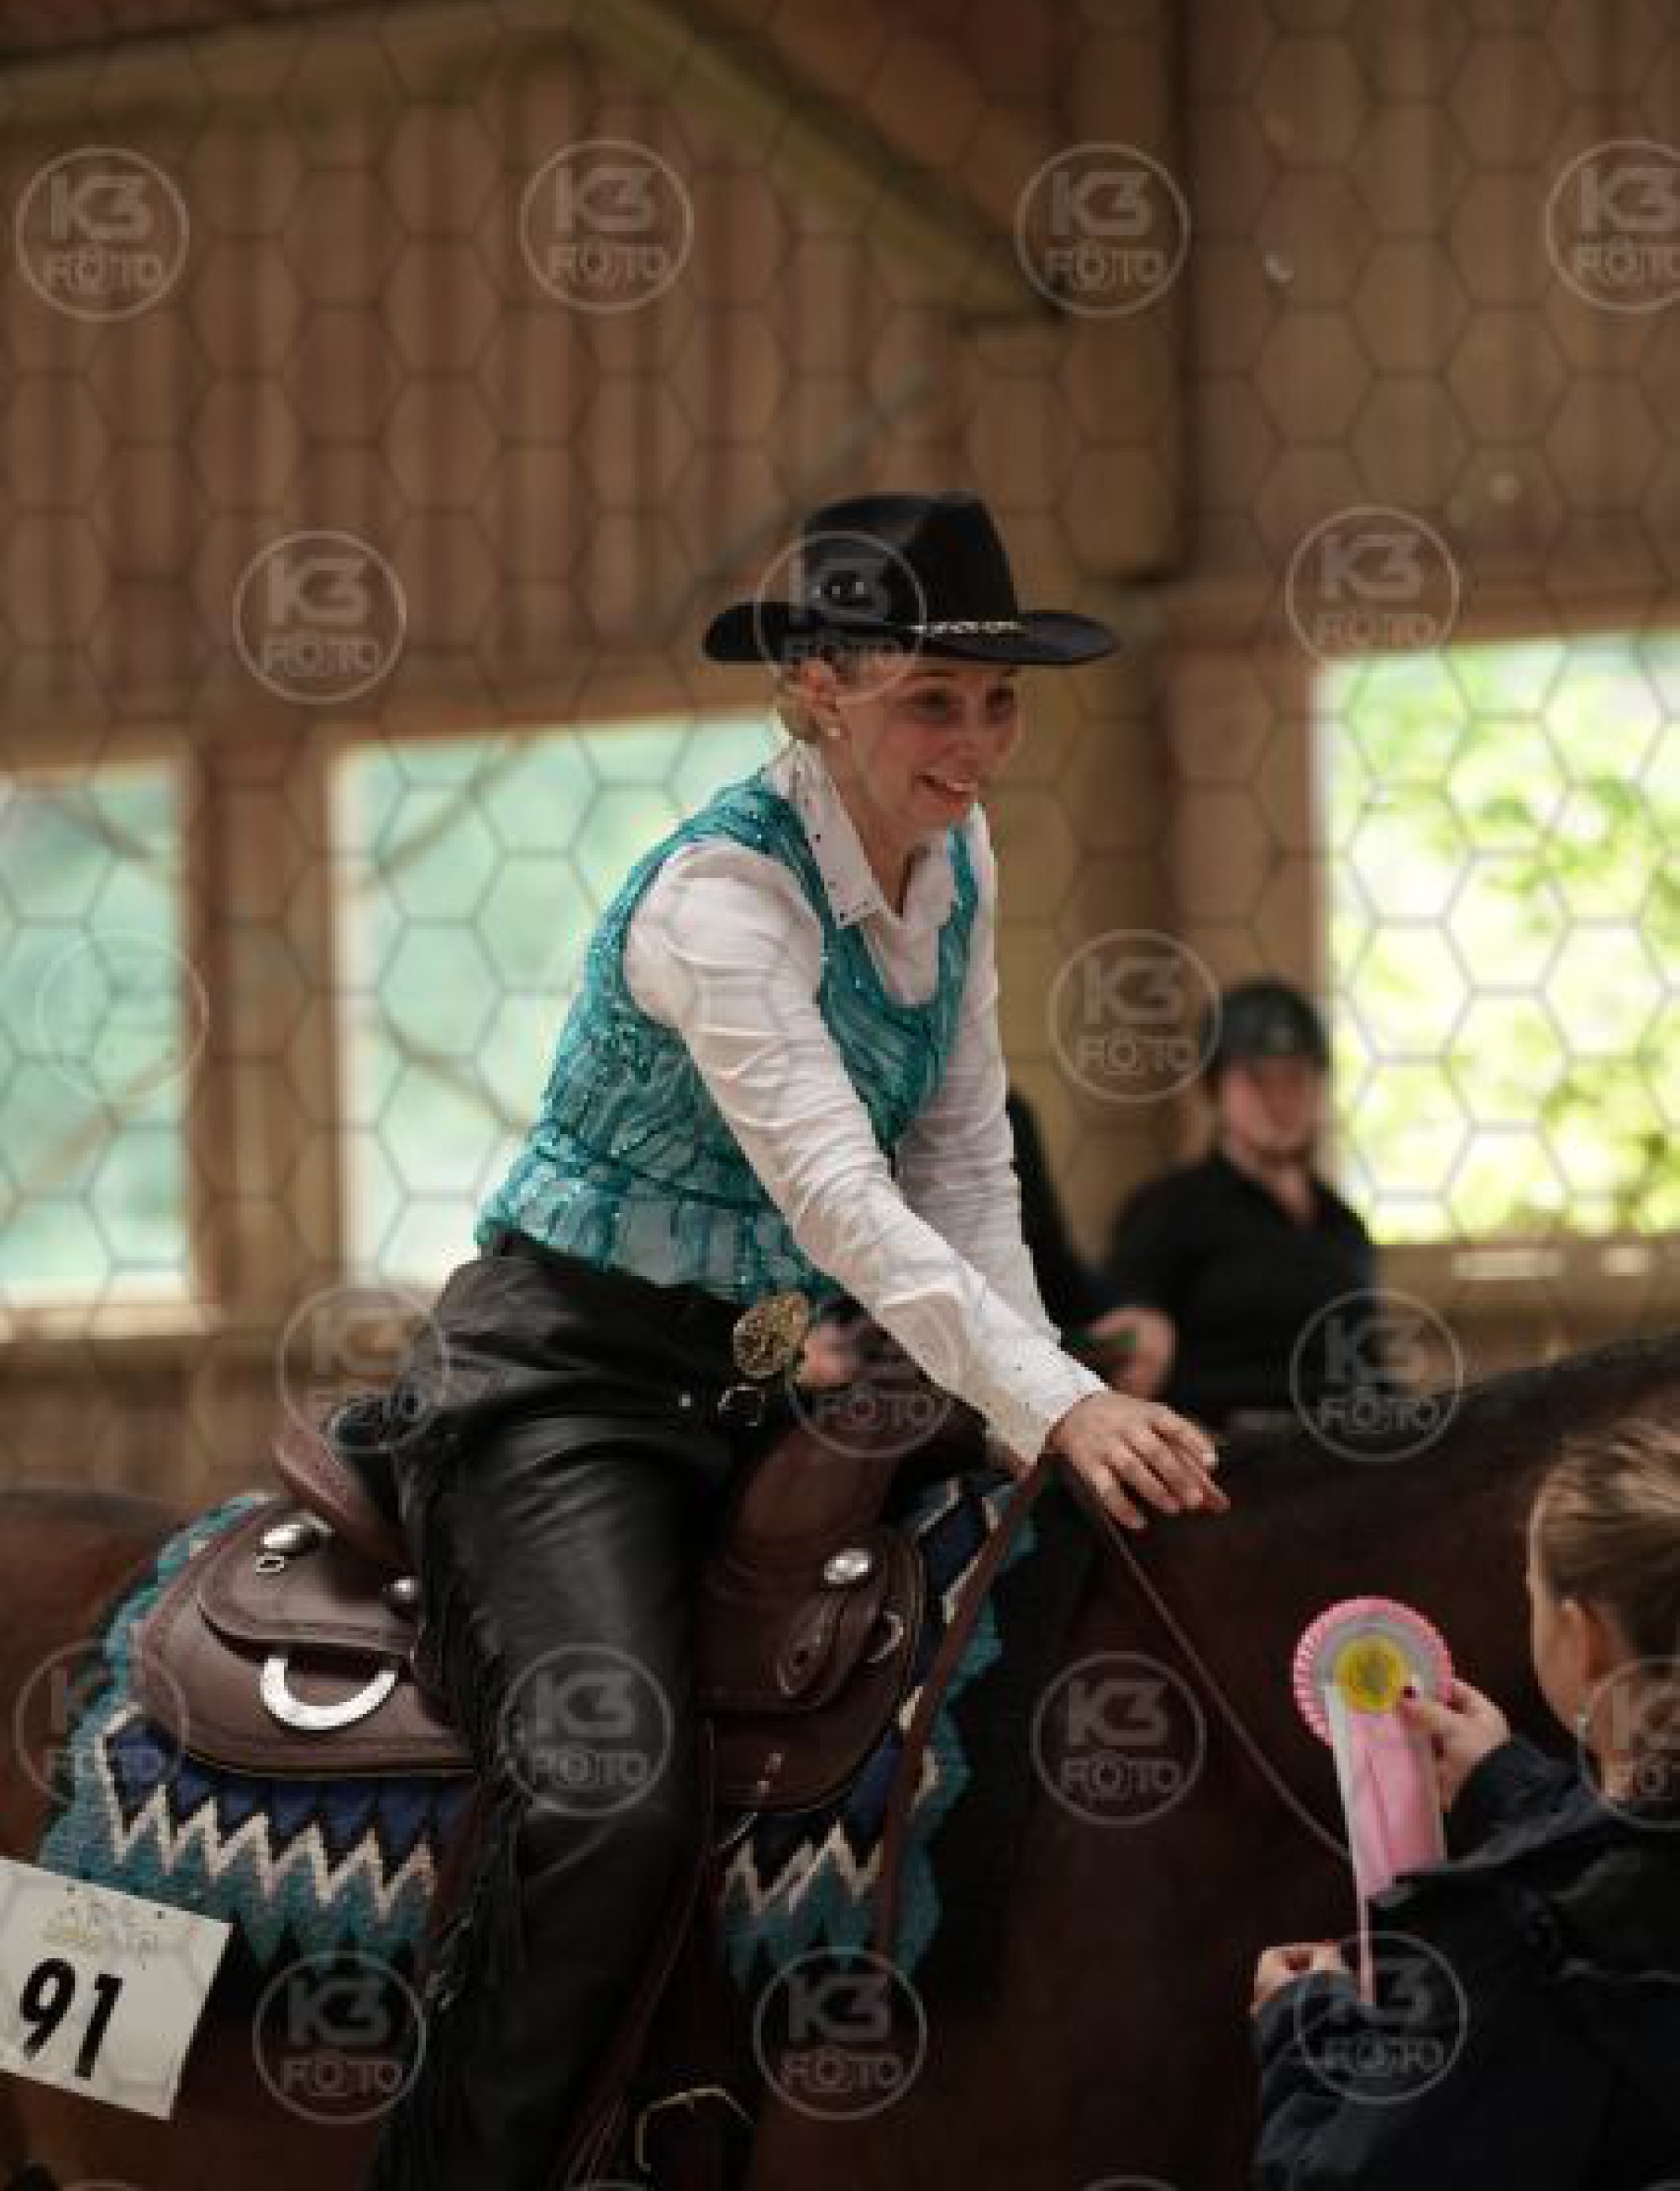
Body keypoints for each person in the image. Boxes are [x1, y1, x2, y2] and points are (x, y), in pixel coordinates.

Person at [365, 491, 1229, 2190]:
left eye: (999, 699)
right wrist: (1057, 1399)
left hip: (765, 1377)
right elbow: (843, 1199)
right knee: (610, 1795)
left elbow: (965, 1162)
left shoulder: (958, 856)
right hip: (564, 1387)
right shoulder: (721, 900)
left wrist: (1034, 1397)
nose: (976, 742)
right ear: (817, 689)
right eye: (932, 698)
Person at [1249, 1408, 1680, 2185]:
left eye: (1533, 1595)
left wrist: (1307, 2027)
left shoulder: (1524, 1953)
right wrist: (1509, 1785)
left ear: (1583, 1639)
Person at [1100, 979, 1380, 1425]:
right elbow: (1126, 1348)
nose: (1280, 1098)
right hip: (1223, 1452)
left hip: (1349, 1447)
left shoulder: (1344, 1225)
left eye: (1297, 1076)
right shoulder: (1167, 1211)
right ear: (1216, 1088)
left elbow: (1371, 1367)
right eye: (1258, 1079)